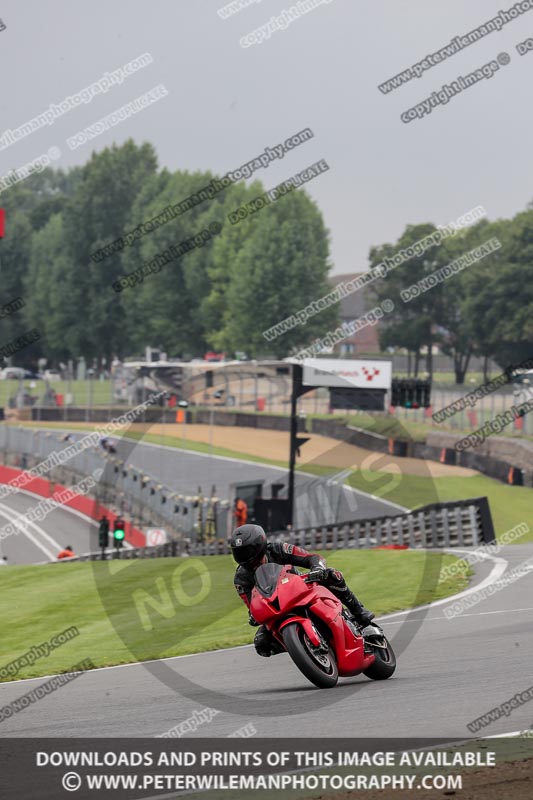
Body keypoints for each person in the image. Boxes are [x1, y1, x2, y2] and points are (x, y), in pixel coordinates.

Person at [230, 524, 375, 658]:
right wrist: (254, 615)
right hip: (277, 607)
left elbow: (311, 557)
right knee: (261, 644)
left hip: (301, 589)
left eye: (247, 550)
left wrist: (317, 568)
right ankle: (301, 647)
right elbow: (251, 605)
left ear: (259, 544)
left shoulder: (278, 550)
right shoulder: (241, 580)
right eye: (239, 552)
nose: (245, 556)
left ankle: (359, 612)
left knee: (332, 575)